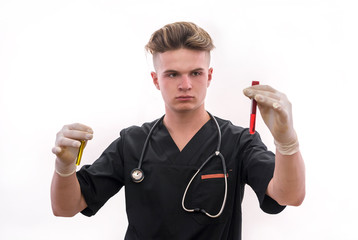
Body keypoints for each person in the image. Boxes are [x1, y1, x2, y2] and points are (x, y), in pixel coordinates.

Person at [51, 21, 305, 239]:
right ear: (156, 80)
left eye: (195, 73)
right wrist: (64, 169)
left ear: (209, 76)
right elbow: (66, 206)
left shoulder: (238, 142)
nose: (185, 85)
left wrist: (287, 143)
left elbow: (289, 195)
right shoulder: (131, 143)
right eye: (172, 74)